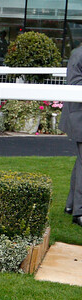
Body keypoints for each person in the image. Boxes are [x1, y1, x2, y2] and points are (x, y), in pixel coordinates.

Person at [61, 44, 82, 228]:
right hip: (79, 116)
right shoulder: (78, 54)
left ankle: (71, 206)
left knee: (80, 162)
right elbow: (75, 85)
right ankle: (79, 212)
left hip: (78, 116)